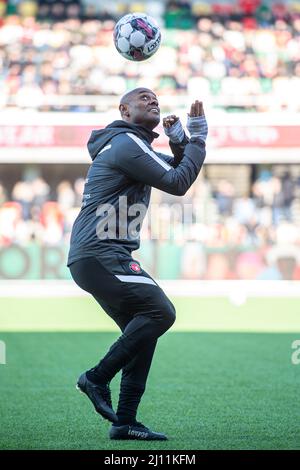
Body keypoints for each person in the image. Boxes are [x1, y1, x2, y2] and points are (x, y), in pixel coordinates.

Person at [67, 87, 208, 440]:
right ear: (124, 110)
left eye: (155, 97)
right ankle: (96, 378)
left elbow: (177, 172)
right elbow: (178, 183)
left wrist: (180, 141)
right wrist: (199, 139)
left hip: (98, 255)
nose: (153, 100)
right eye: (143, 98)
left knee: (143, 333)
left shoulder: (130, 144)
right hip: (100, 253)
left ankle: (124, 421)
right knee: (161, 312)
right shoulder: (128, 144)